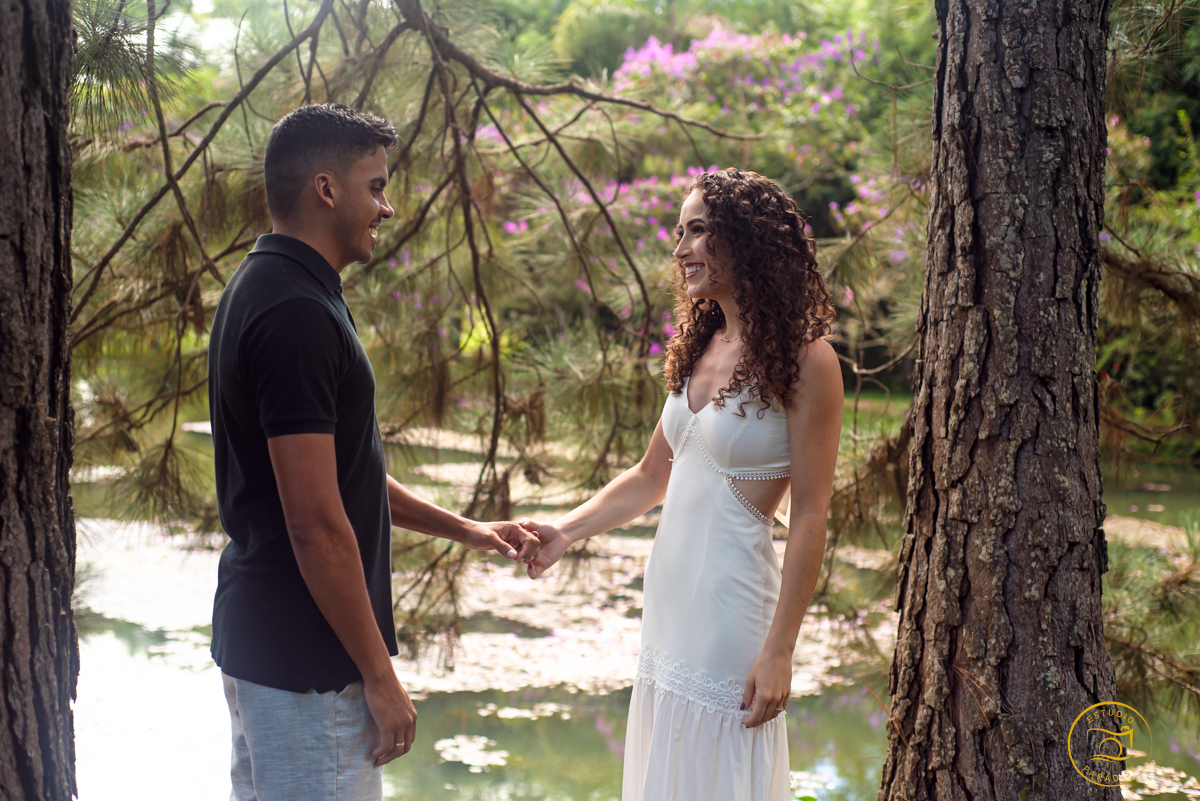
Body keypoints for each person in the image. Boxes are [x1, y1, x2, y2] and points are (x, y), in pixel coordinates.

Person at [207, 103, 538, 801]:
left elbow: (338, 474)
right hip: (308, 666)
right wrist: (380, 676)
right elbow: (315, 523)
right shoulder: (295, 312)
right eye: (377, 186)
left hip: (272, 647)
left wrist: (468, 529)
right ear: (326, 189)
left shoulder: (274, 284)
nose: (388, 208)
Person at [520, 169, 843, 800]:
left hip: (732, 616)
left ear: (745, 238)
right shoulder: (700, 343)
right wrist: (565, 531)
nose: (680, 249)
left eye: (697, 230)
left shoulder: (809, 360)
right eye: (679, 232)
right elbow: (651, 476)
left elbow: (810, 515)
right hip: (667, 611)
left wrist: (781, 649)